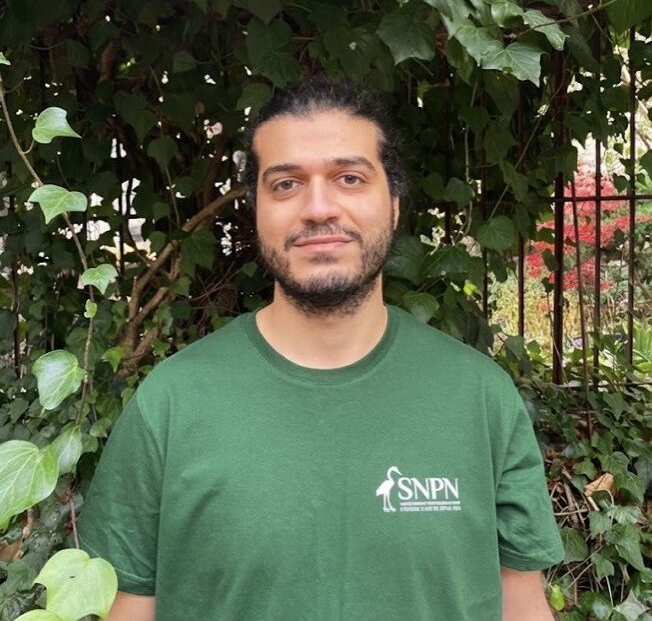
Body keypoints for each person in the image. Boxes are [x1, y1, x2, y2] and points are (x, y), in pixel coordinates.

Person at [78, 76, 564, 620]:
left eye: (349, 178)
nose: (317, 207)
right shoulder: (171, 404)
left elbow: (522, 605)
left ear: (394, 204)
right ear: (256, 210)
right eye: (285, 184)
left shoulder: (481, 398)